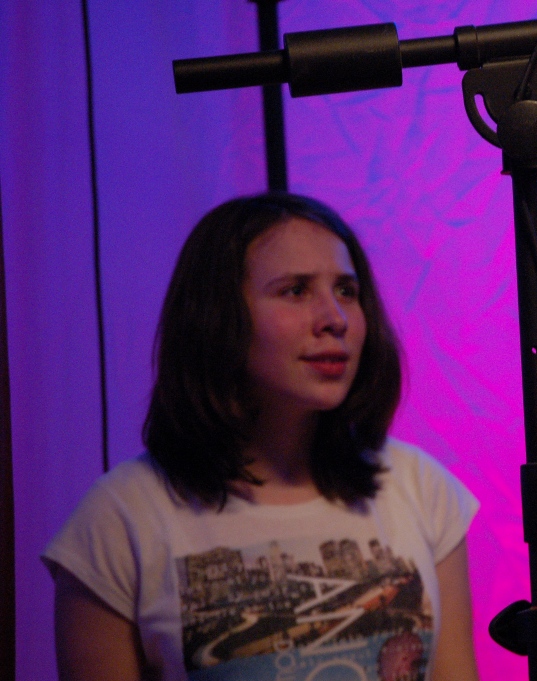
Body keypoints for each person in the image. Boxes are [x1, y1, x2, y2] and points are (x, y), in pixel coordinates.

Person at [43, 193, 481, 681]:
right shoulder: (119, 520)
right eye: (295, 290)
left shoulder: (420, 488)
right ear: (218, 316)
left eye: (346, 290)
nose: (334, 318)